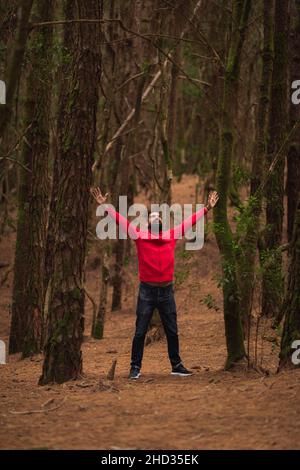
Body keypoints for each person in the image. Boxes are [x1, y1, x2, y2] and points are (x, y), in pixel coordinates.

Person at [90, 187, 219, 379]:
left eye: (159, 218)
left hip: (166, 291)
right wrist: (104, 206)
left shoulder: (172, 236)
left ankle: (176, 366)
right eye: (152, 218)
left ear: (162, 223)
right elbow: (121, 221)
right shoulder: (139, 236)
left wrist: (207, 208)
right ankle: (135, 368)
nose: (156, 219)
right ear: (148, 224)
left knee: (172, 331)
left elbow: (190, 221)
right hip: (147, 292)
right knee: (140, 331)